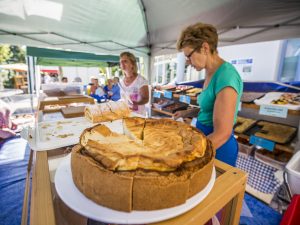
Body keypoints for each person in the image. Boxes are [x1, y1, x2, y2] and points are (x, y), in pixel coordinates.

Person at [174, 23, 243, 167]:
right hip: (205, 139)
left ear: (205, 48)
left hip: (217, 148)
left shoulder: (226, 76)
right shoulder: (210, 71)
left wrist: (189, 156)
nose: (187, 62)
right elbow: (210, 109)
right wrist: (187, 112)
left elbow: (222, 133)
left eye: (189, 56)